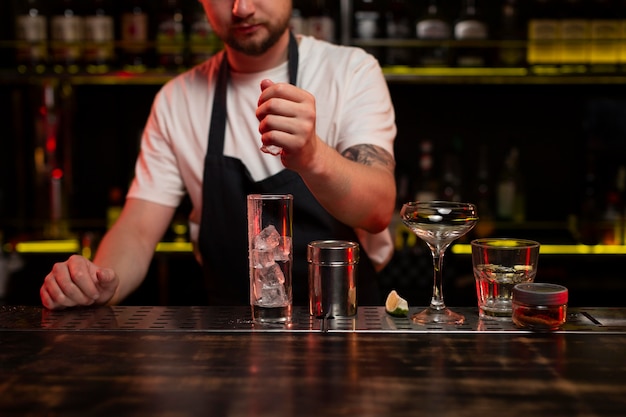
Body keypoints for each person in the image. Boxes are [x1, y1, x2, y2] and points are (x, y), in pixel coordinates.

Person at [40, 0, 397, 310]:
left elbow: (378, 210)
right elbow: (137, 229)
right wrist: (101, 283)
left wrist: (312, 157)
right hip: (229, 340)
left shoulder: (351, 71)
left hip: (342, 324)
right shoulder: (177, 99)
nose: (241, 8)